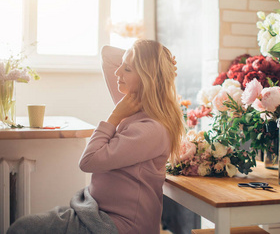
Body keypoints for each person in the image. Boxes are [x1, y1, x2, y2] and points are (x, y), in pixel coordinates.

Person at [7, 40, 184, 234]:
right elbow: (107, 54)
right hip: (96, 211)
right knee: (22, 227)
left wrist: (114, 117)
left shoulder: (150, 129)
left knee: (21, 229)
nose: (117, 73)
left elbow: (88, 161)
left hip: (117, 225)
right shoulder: (134, 106)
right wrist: (155, 59)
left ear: (146, 77)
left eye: (126, 69)